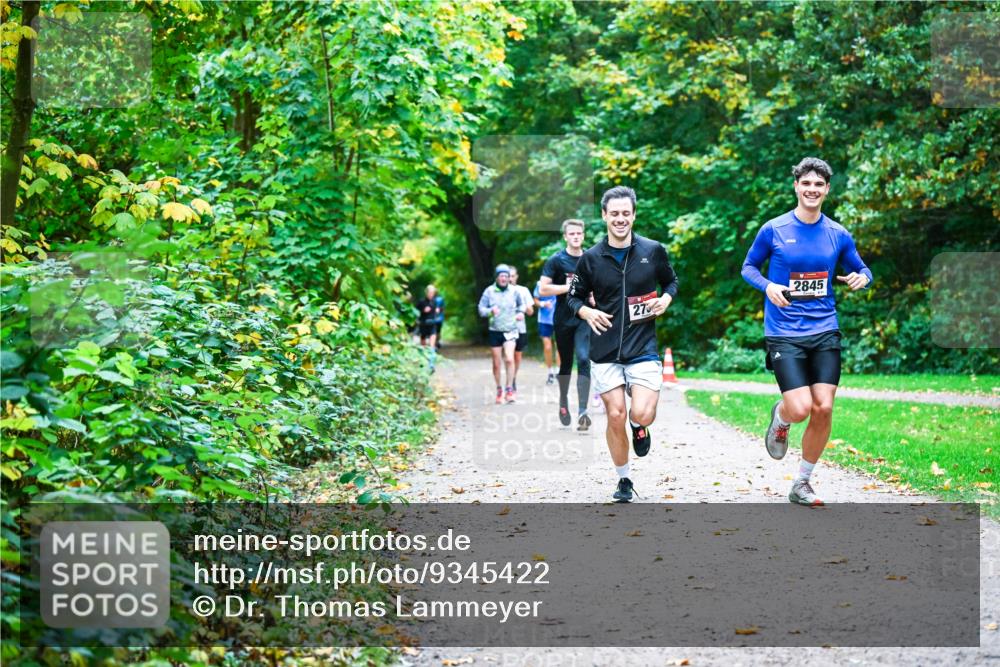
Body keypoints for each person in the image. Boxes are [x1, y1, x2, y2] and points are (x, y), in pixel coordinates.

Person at [741, 157, 873, 507]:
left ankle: (802, 482)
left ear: (827, 189)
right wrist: (768, 286)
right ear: (796, 186)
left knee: (824, 407)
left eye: (819, 185)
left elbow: (861, 268)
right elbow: (749, 267)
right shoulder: (774, 229)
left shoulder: (837, 234)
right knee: (800, 408)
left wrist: (863, 277)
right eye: (806, 183)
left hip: (825, 327)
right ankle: (782, 416)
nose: (812, 190)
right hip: (784, 331)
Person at [568, 186, 678, 503]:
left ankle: (639, 426)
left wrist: (667, 298)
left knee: (642, 413)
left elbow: (671, 281)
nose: (620, 219)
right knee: (614, 414)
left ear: (634, 215)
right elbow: (573, 299)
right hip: (604, 350)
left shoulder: (652, 250)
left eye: (625, 213)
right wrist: (586, 311)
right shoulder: (590, 259)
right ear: (604, 216)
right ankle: (624, 479)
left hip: (642, 346)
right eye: (613, 213)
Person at [539, 219, 592, 431]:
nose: (576, 237)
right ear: (565, 236)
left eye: (579, 233)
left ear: (583, 235)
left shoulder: (590, 258)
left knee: (584, 358)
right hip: (562, 318)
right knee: (566, 363)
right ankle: (563, 402)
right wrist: (567, 287)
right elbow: (543, 289)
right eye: (572, 234)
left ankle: (583, 411)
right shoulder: (556, 260)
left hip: (584, 317)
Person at [478, 264, 527, 404]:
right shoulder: (489, 291)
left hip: (511, 329)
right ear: (497, 277)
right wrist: (490, 311)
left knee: (510, 359)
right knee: (496, 363)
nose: (504, 278)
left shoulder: (514, 291)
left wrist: (520, 314)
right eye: (501, 276)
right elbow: (481, 309)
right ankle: (499, 389)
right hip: (495, 330)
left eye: (506, 276)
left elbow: (522, 305)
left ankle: (509, 389)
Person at [507, 267, 535, 401]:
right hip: (505, 329)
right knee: (509, 357)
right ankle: (510, 385)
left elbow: (530, 312)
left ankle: (513, 379)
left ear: (516, 277)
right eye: (508, 276)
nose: (510, 278)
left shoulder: (523, 290)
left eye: (513, 276)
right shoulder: (501, 292)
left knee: (517, 357)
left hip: (520, 329)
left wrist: (524, 306)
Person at [533, 280, 560, 384]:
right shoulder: (540, 284)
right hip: (544, 320)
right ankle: (550, 372)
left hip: (558, 319)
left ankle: (558, 371)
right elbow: (535, 300)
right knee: (547, 347)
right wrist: (543, 303)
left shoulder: (560, 281)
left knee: (559, 347)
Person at [416, 284, 441, 371]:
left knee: (431, 346)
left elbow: (437, 311)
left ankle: (431, 365)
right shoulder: (421, 302)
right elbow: (415, 312)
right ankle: (423, 364)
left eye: (433, 293)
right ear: (426, 293)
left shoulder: (434, 302)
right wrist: (423, 310)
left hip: (432, 326)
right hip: (423, 325)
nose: (431, 295)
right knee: (423, 347)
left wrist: (437, 311)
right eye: (430, 293)